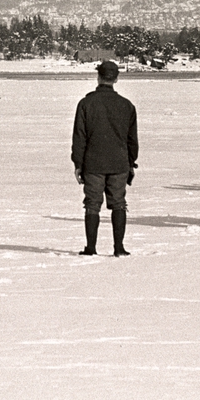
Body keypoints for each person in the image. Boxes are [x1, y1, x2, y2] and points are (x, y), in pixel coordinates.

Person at [71, 60, 138, 257]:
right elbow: (132, 139)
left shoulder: (85, 104)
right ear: (116, 78)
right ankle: (119, 248)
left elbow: (79, 138)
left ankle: (91, 247)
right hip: (119, 162)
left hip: (93, 163)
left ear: (98, 77)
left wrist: (78, 164)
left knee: (92, 204)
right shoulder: (127, 106)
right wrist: (131, 162)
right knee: (119, 203)